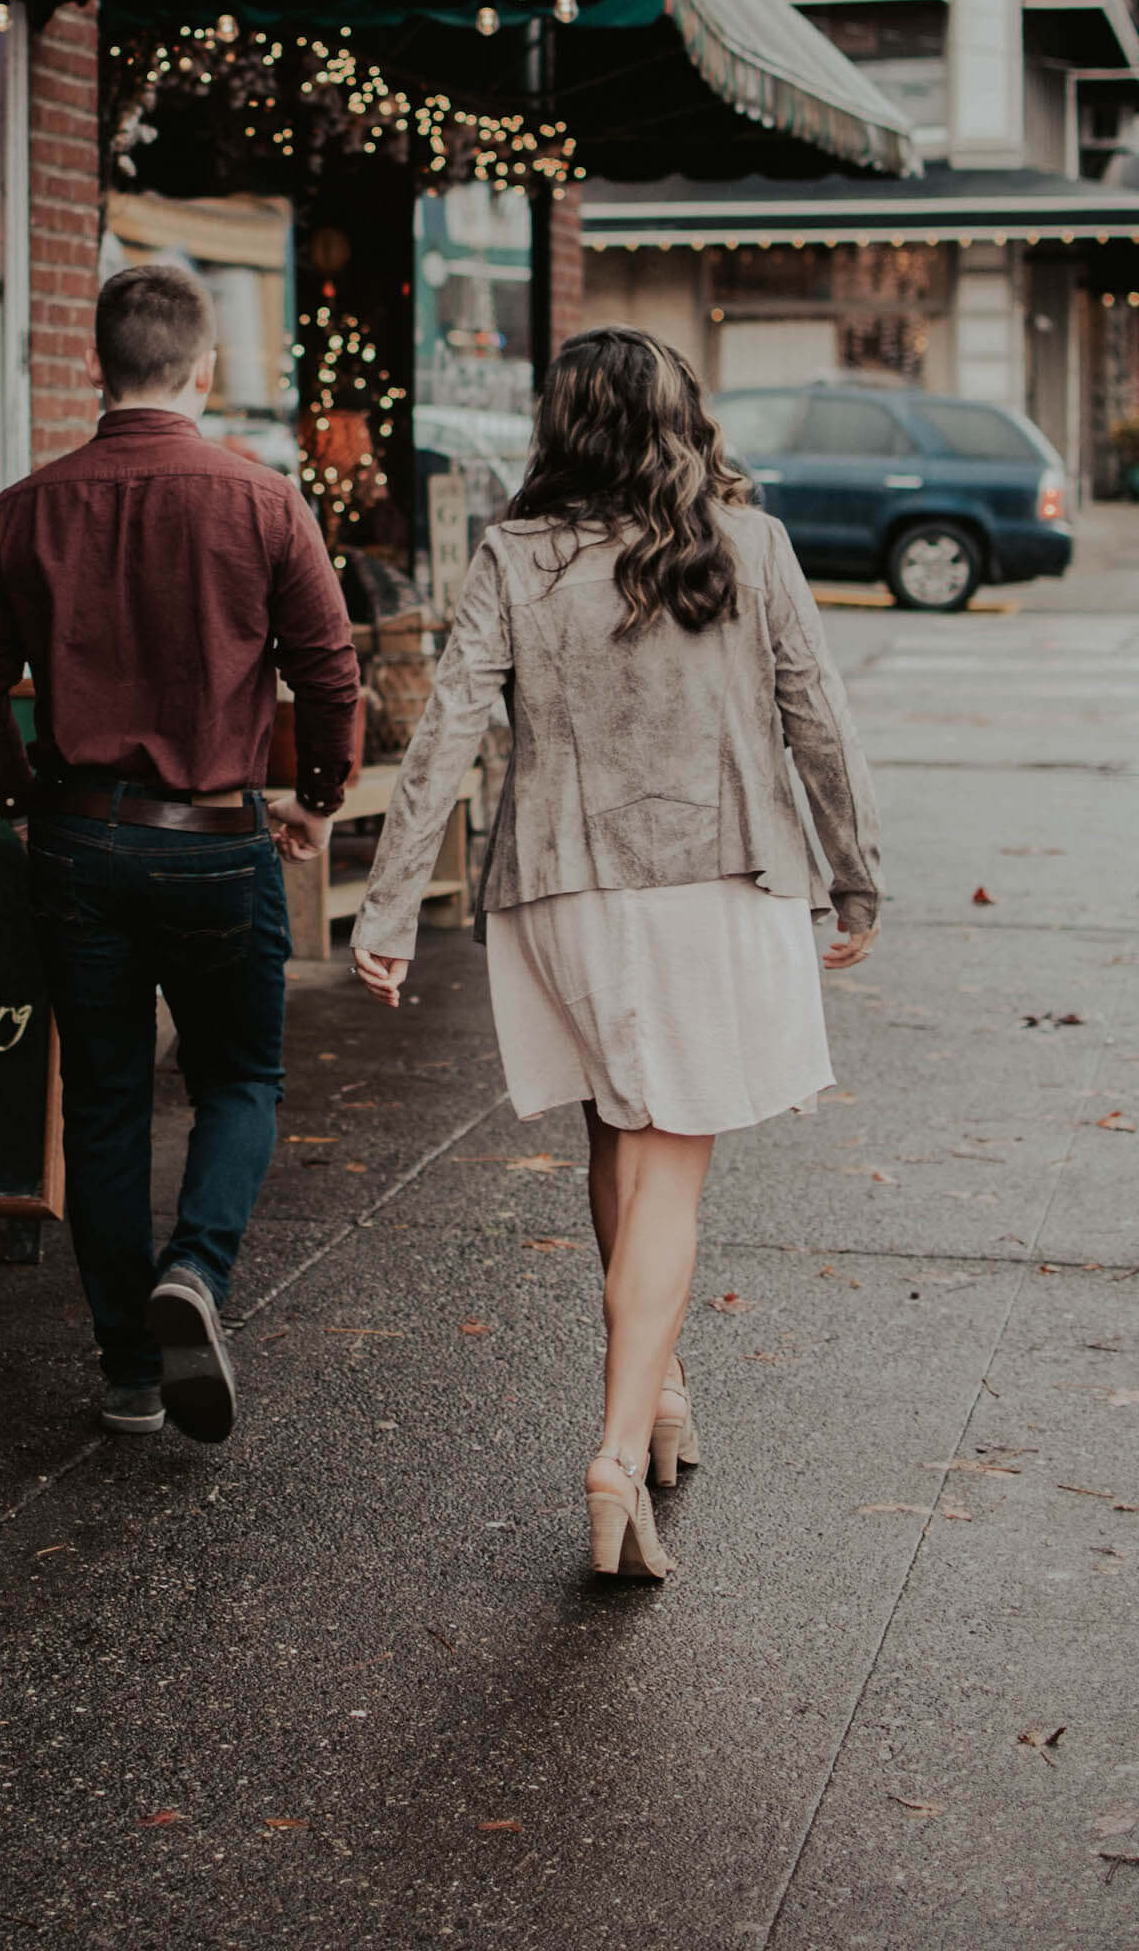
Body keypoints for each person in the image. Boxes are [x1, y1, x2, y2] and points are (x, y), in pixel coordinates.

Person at [350, 327, 880, 1582]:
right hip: (711, 883)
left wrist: (383, 912)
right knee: (672, 1167)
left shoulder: (512, 555)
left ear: (561, 429)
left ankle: (664, 1394)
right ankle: (608, 1448)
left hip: (561, 892)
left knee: (614, 1129)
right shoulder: (744, 545)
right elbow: (820, 720)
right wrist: (854, 873)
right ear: (678, 419)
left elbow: (446, 740)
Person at [0, 261, 361, 1442]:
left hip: (77, 841)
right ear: (204, 368)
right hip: (217, 840)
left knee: (108, 1103)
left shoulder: (26, 507)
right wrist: (317, 798)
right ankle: (198, 1275)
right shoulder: (264, 501)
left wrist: (23, 798)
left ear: (94, 366)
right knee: (239, 1079)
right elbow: (329, 672)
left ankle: (129, 1369)